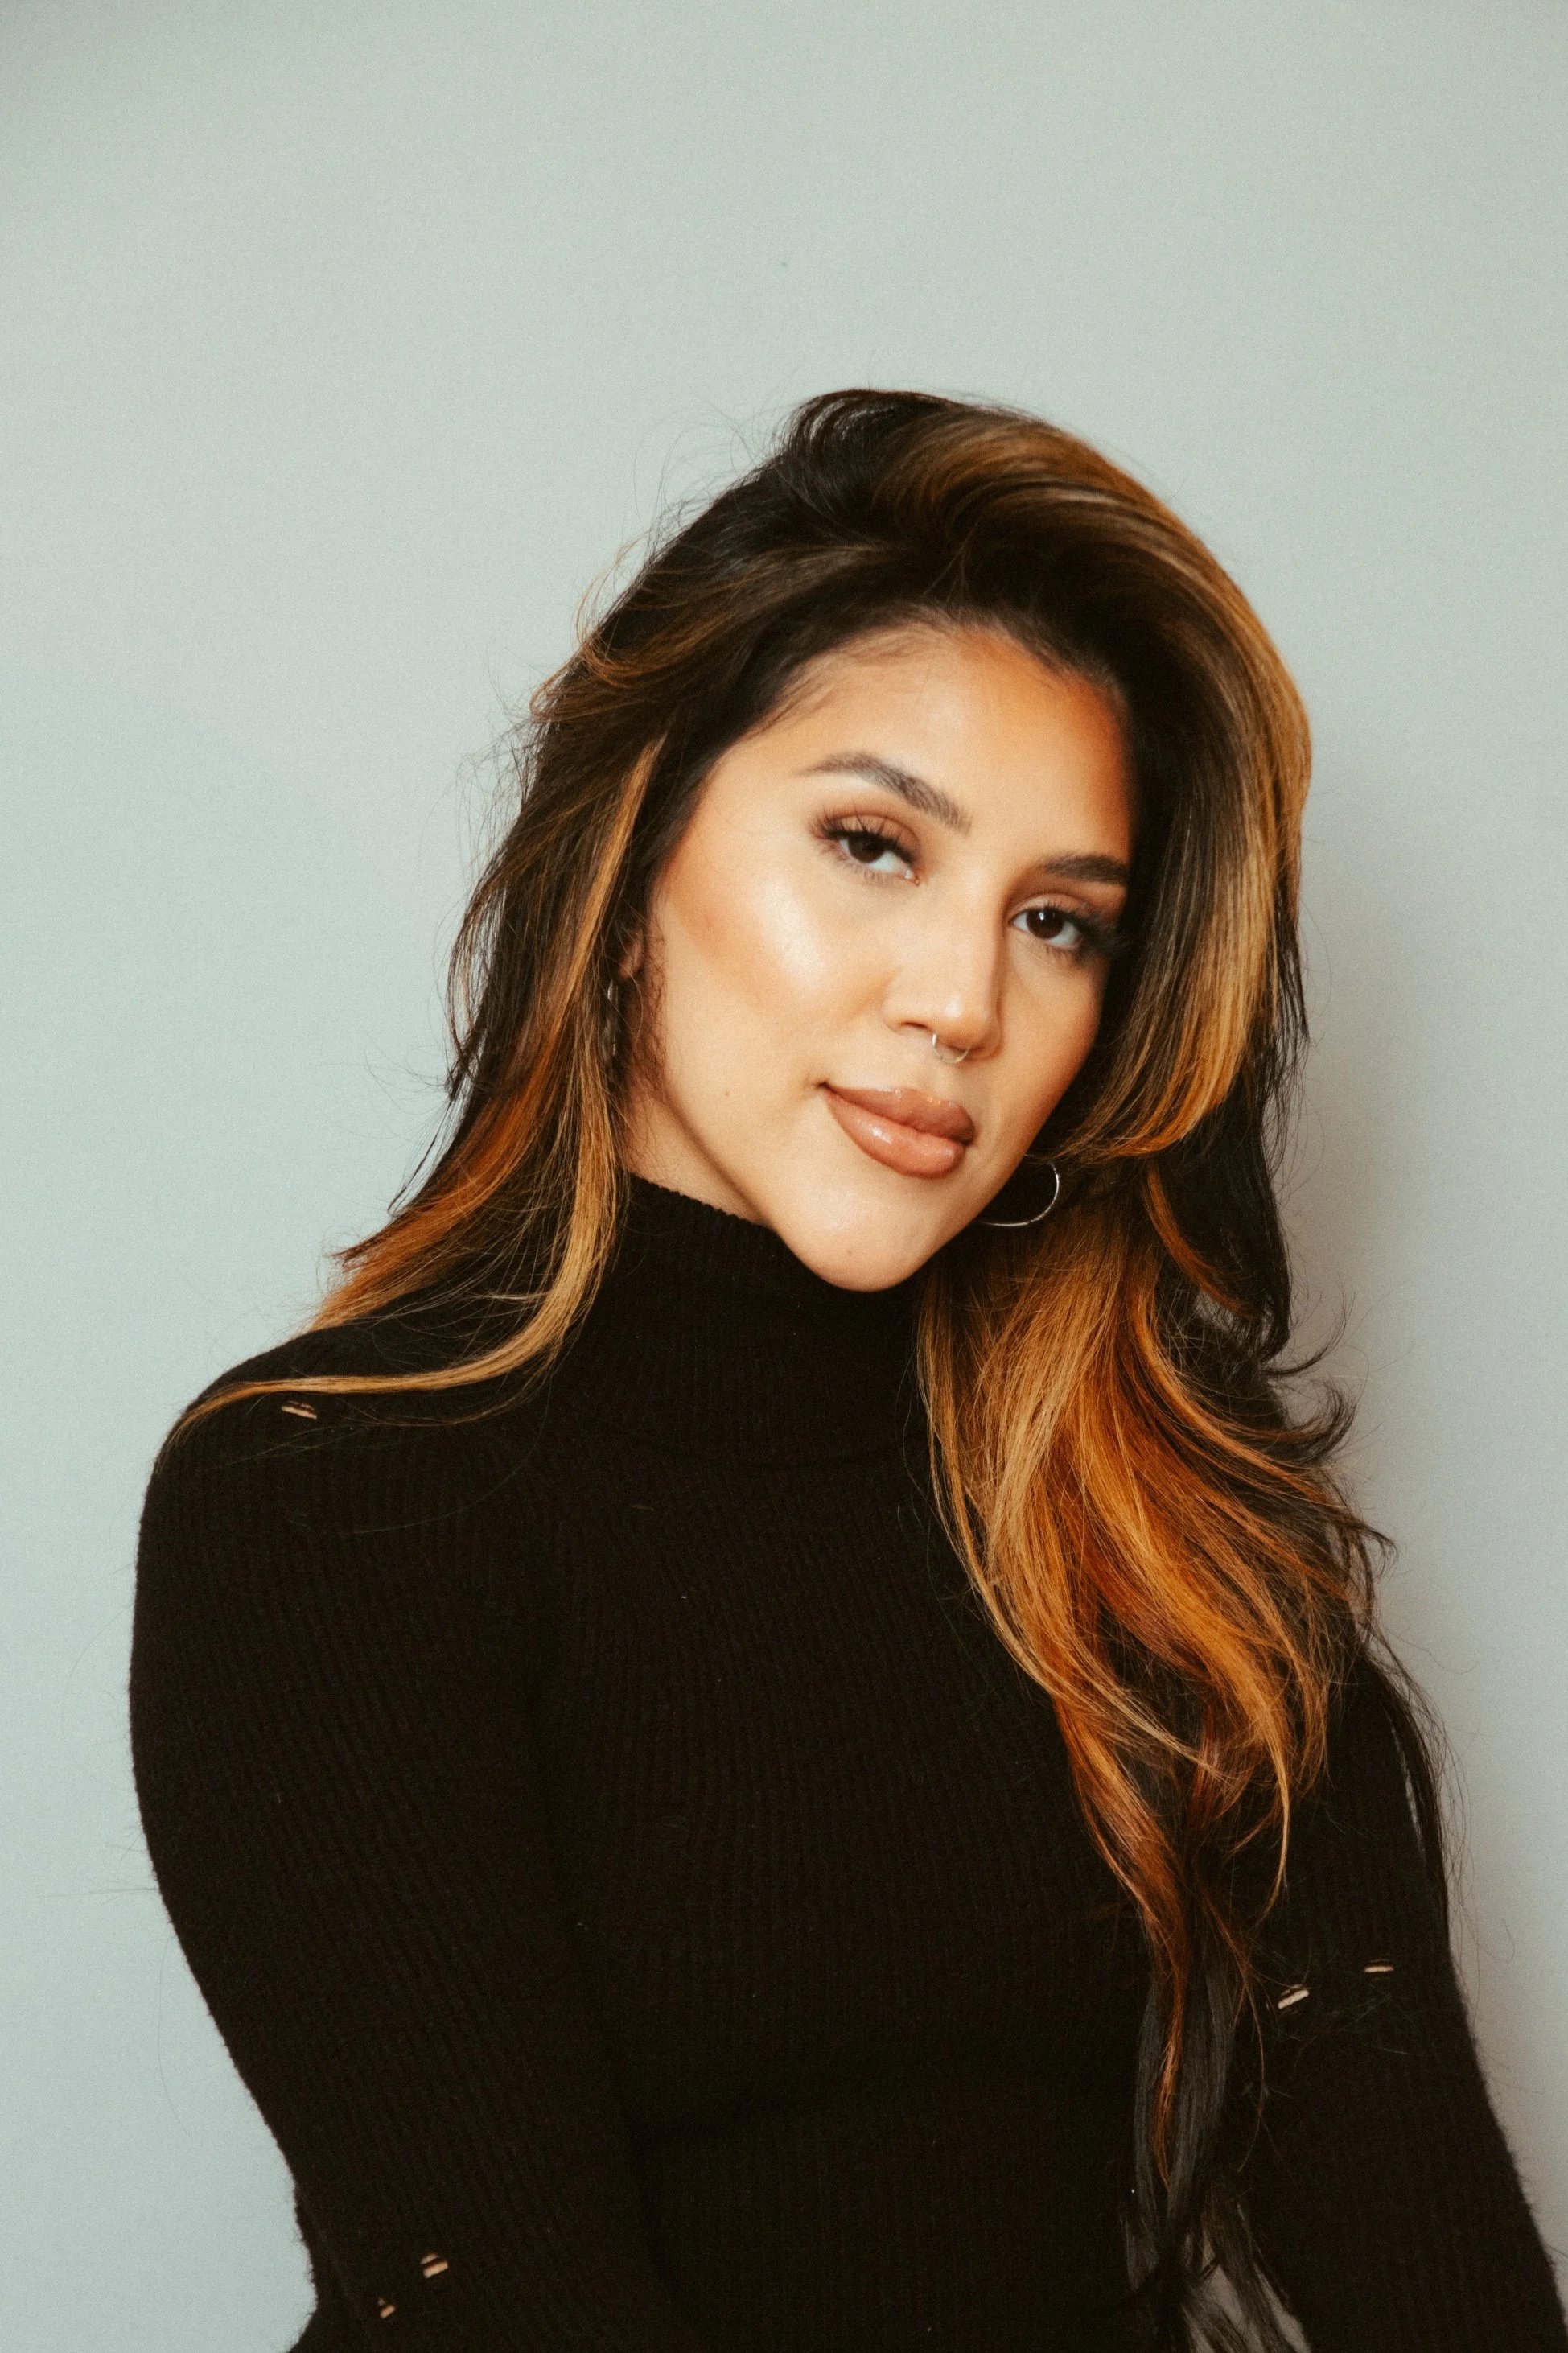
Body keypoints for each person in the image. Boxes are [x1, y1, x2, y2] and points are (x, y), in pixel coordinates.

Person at [129, 389, 1566, 2352]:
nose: (963, 1001)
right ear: (633, 855)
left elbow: (1433, 2261)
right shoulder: (330, 1501)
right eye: (874, 845)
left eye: (1059, 923)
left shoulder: (1153, 1496)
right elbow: (508, 2296)